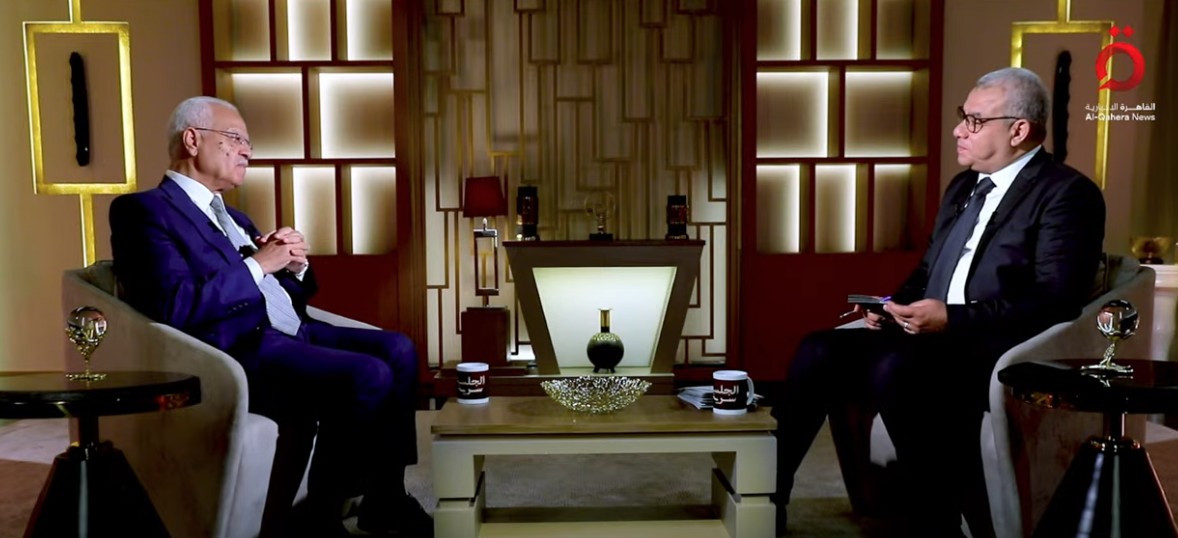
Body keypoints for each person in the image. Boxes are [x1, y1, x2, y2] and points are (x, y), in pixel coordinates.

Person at [772, 67, 1106, 537]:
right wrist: (892, 304)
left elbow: (1055, 300)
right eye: (962, 117)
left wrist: (953, 319)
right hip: (929, 338)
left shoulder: (1067, 194)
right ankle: (768, 497)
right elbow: (928, 271)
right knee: (819, 349)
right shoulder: (963, 186)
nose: (958, 130)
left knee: (895, 367)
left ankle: (934, 520)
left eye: (974, 121)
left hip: (991, 347)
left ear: (1018, 130)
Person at [110, 96, 433, 538]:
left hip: (290, 331)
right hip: (236, 346)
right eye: (236, 139)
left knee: (399, 348)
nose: (247, 151)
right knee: (367, 374)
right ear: (192, 140)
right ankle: (321, 514)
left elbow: (289, 298)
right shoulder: (144, 211)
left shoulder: (235, 217)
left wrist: (294, 266)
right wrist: (259, 264)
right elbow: (175, 305)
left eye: (249, 143)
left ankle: (386, 498)